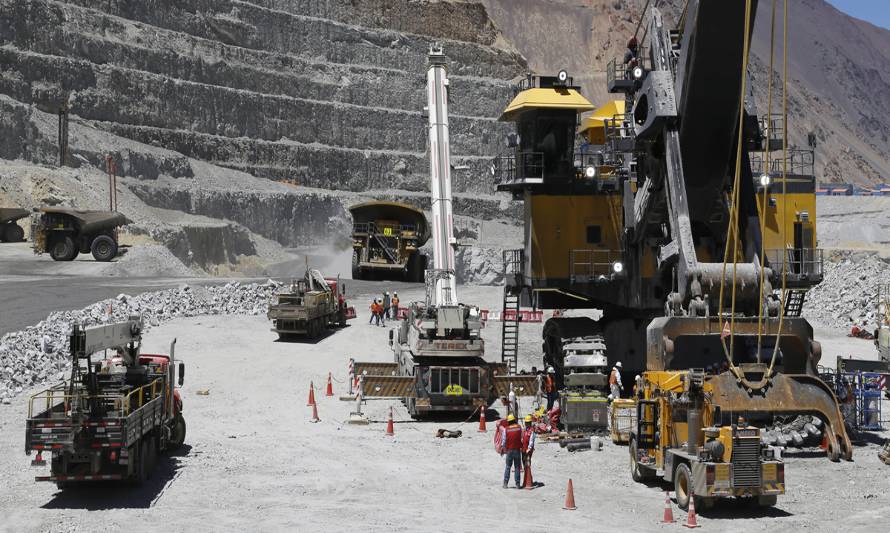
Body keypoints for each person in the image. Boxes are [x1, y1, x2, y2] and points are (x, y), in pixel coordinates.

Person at [497, 414, 523, 489]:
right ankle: (517, 484)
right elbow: (521, 437)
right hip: (517, 450)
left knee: (508, 466)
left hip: (509, 450)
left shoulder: (506, 429)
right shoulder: (519, 427)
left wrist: (502, 448)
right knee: (517, 467)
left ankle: (505, 483)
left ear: (509, 421)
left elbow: (504, 440)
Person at [522, 415, 537, 479]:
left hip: (528, 449)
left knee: (527, 462)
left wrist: (529, 448)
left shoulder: (532, 431)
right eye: (526, 423)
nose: (526, 424)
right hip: (523, 448)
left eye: (527, 423)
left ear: (530, 423)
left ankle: (528, 476)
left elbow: (531, 441)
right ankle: (526, 473)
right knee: (523, 461)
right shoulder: (525, 430)